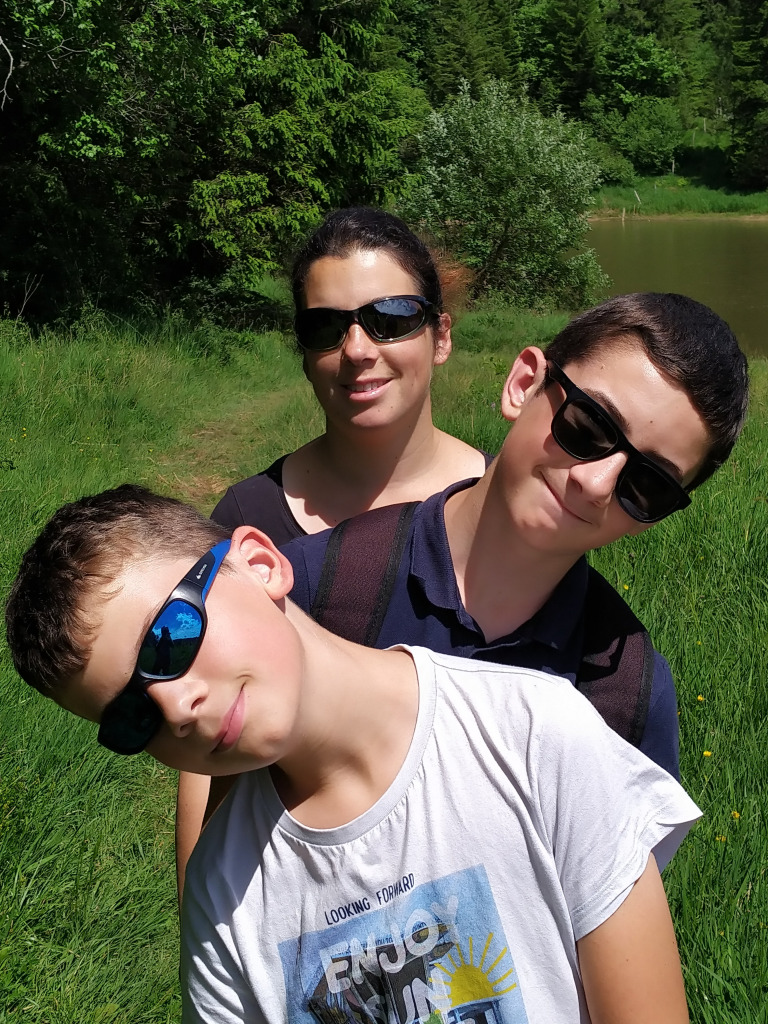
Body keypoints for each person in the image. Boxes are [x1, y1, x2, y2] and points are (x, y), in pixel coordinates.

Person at [6, 485, 701, 1024]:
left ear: (260, 564)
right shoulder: (222, 896)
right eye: (131, 716)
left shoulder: (532, 733)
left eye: (168, 642)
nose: (175, 707)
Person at [281, 292, 749, 780]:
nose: (596, 484)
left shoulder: (628, 695)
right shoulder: (315, 588)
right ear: (524, 384)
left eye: (648, 484)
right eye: (589, 425)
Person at [177, 205, 489, 892]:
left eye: (391, 318)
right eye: (326, 327)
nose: (357, 349)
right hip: (303, 887)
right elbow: (207, 752)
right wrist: (203, 908)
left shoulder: (499, 507)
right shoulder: (248, 520)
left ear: (440, 336)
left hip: (482, 872)